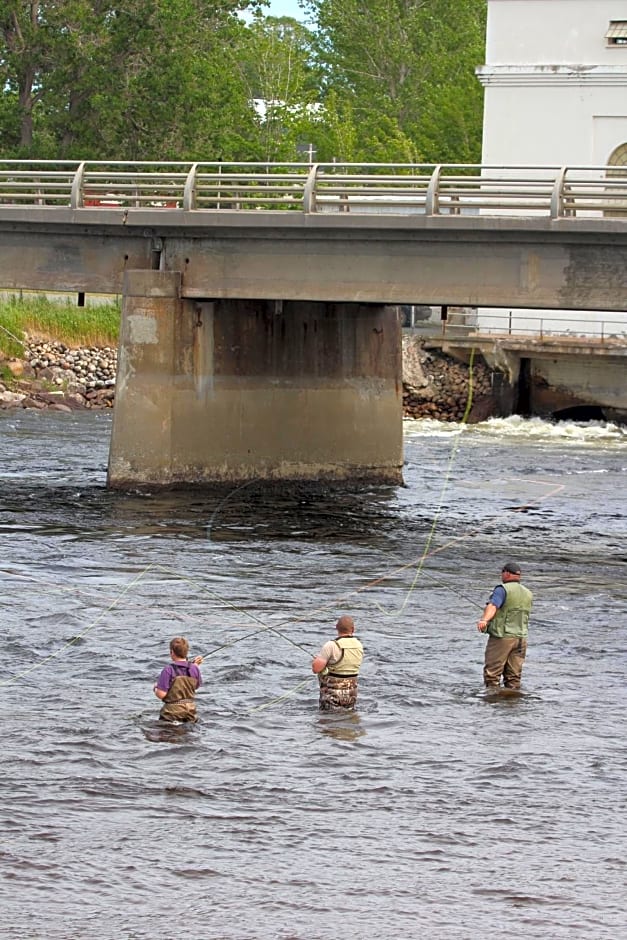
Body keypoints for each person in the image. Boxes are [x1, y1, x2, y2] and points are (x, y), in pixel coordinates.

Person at [477, 562, 533, 690]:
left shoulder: (502, 589)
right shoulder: (528, 593)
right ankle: (511, 704)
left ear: (506, 573)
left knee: (492, 675)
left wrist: (484, 620)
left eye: (502, 572)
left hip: (502, 638)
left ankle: (492, 703)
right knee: (514, 676)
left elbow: (493, 606)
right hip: (521, 639)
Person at [311, 615, 364, 710]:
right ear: (353, 629)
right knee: (349, 720)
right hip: (351, 695)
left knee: (328, 722)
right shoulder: (359, 645)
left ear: (336, 627)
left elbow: (316, 668)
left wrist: (316, 660)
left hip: (332, 696)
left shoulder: (331, 645)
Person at [153, 636, 203, 722]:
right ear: (186, 652)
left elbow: (161, 694)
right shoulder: (194, 668)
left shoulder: (168, 669)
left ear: (172, 652)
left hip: (172, 712)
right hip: (190, 710)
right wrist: (194, 667)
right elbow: (196, 686)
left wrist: (156, 688)